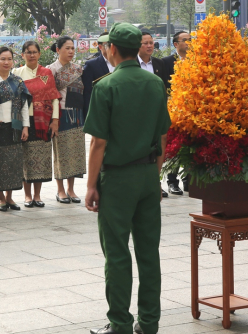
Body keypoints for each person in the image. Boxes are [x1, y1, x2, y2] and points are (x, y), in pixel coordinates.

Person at [85, 23, 170, 334]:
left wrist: (92, 184)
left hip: (118, 179)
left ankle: (120, 323)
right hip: (148, 175)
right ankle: (149, 323)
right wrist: (155, 175)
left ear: (112, 50)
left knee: (118, 253)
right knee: (149, 252)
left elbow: (98, 143)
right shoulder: (155, 84)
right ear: (138, 49)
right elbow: (163, 136)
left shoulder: (105, 86)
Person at [13, 40, 60, 207]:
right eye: (28, 52)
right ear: (23, 55)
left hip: (43, 122)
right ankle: (27, 196)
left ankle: (38, 195)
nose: (31, 55)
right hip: (24, 121)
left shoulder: (46, 73)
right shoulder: (17, 72)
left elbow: (54, 98)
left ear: (39, 54)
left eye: (34, 52)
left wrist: (55, 121)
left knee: (40, 157)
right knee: (26, 158)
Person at [0, 46, 31, 211]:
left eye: (9, 59)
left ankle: (10, 197)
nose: (6, 62)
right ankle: (0, 198)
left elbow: (24, 106)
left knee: (13, 163)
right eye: (2, 59)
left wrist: (25, 127)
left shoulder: (17, 81)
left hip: (15, 127)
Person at [48, 36, 86, 203]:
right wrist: (54, 119)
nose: (71, 51)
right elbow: (50, 96)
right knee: (61, 152)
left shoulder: (78, 69)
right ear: (58, 50)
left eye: (72, 48)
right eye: (67, 48)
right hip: (61, 115)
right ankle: (61, 190)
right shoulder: (51, 70)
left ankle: (71, 189)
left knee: (76, 152)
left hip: (77, 114)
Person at [138, 31, 170, 198]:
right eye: (146, 43)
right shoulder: (132, 64)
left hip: (157, 110)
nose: (150, 46)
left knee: (161, 141)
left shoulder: (159, 63)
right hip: (139, 112)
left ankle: (156, 179)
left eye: (151, 42)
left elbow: (164, 88)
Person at [160, 30, 191, 195]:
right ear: (176, 44)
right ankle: (172, 181)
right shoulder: (166, 62)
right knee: (174, 147)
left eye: (190, 39)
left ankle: (189, 179)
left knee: (190, 144)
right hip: (173, 110)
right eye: (185, 40)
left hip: (192, 110)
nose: (188, 42)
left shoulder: (197, 60)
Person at [82, 30, 113, 120]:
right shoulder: (91, 65)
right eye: (108, 45)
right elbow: (87, 93)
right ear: (100, 47)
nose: (112, 47)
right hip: (100, 112)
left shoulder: (120, 62)